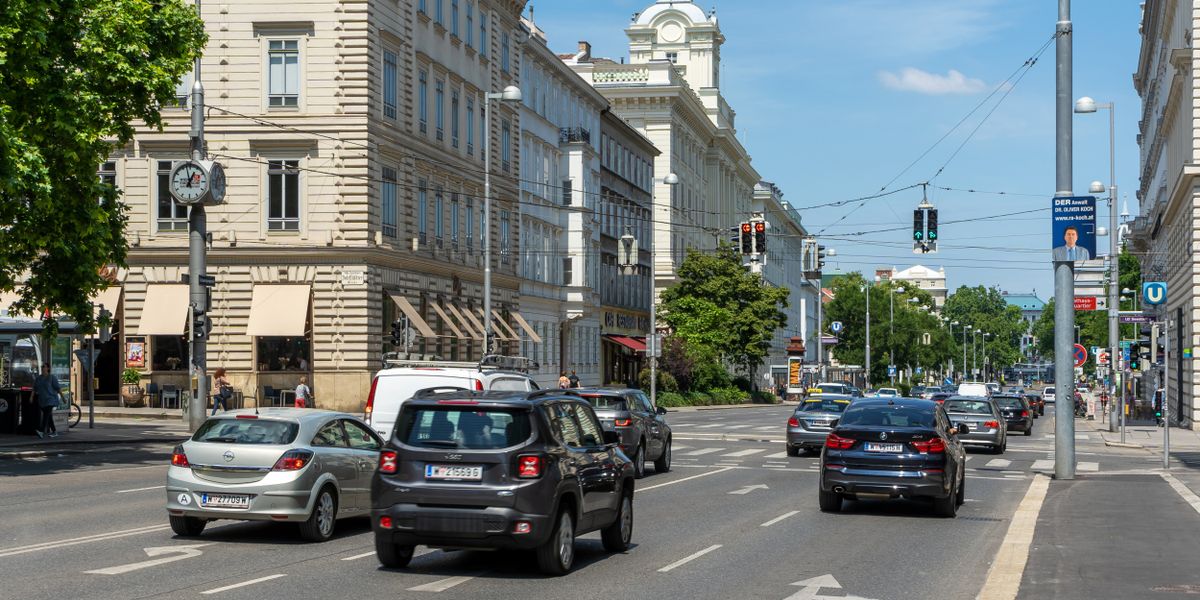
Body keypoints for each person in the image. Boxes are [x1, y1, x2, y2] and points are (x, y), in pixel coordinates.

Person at [33, 364, 61, 439]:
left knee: (46, 416)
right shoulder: (38, 378)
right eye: (42, 367)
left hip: (51, 399)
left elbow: (58, 388)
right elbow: (34, 388)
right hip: (42, 400)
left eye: (44, 367)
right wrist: (31, 397)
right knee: (49, 416)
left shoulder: (52, 377)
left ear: (48, 368)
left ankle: (41, 431)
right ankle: (55, 432)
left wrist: (64, 398)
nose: (42, 368)